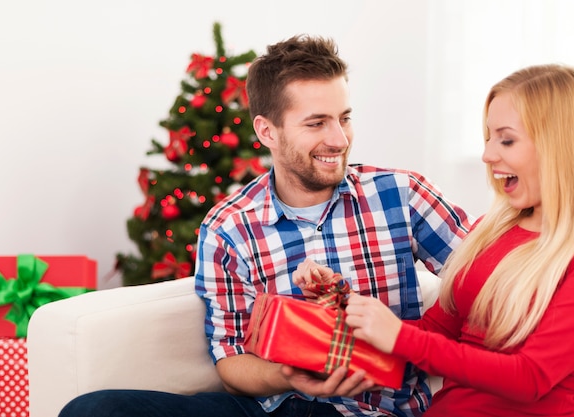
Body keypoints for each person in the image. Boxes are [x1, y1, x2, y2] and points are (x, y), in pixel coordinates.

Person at [58, 35, 472, 417]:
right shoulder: (228, 228)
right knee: (94, 411)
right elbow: (231, 360)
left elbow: (495, 279)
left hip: (378, 411)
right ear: (266, 131)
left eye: (344, 118)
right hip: (275, 408)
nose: (339, 139)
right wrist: (286, 376)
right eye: (316, 123)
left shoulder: (402, 194)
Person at [305, 64, 574, 416]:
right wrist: (346, 308)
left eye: (506, 139)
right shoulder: (494, 231)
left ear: (561, 145)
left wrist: (399, 336)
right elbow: (436, 333)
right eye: (488, 138)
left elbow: (530, 377)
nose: (488, 155)